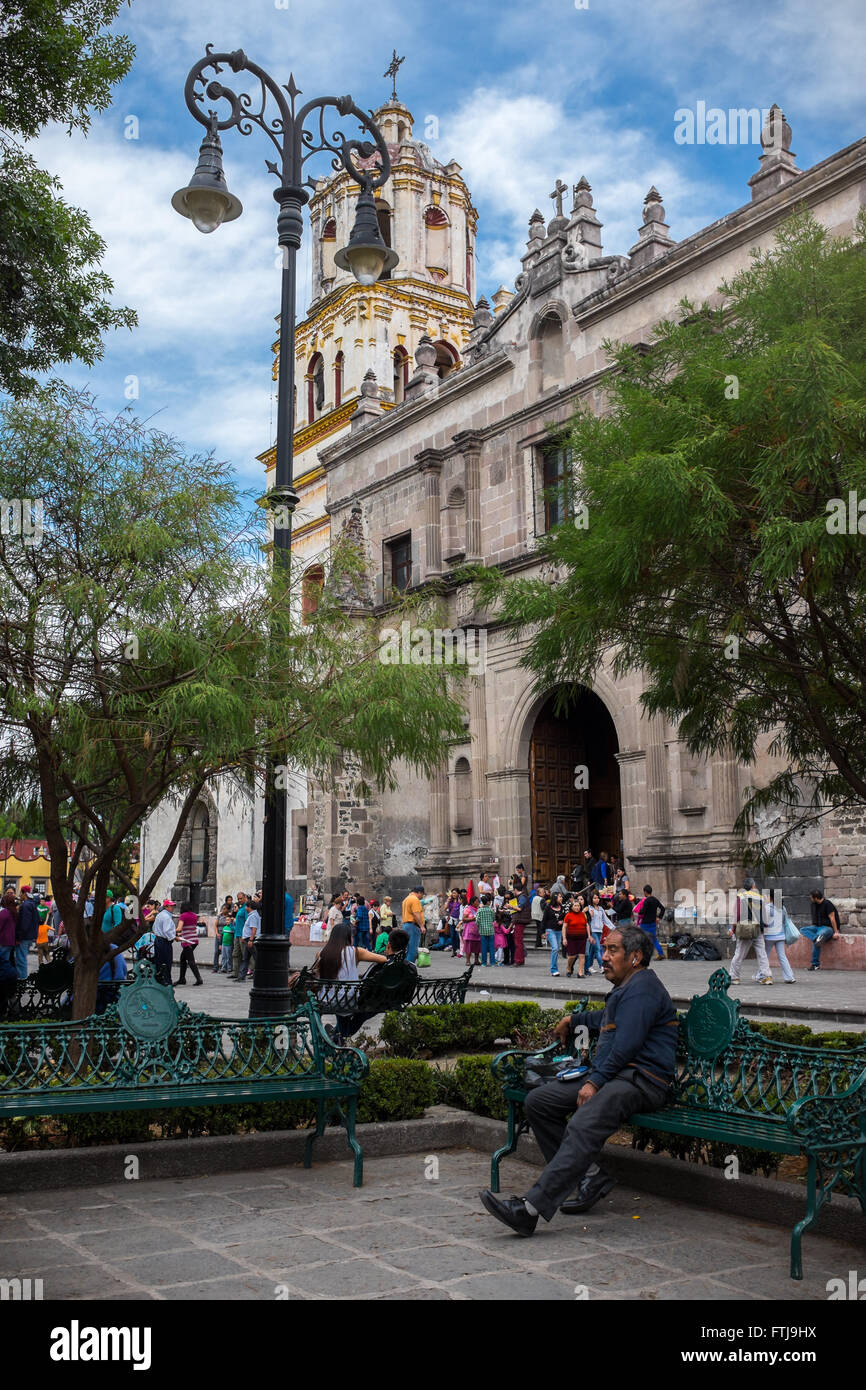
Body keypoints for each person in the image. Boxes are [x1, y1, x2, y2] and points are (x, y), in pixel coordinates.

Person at [479, 926, 677, 1236]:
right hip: (619, 1075)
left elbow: (626, 1044)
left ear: (635, 957)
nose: (605, 955)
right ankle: (591, 1176)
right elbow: (608, 1019)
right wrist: (574, 1019)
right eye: (605, 949)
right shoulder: (628, 987)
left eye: (613, 950)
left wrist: (595, 1082)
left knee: (583, 1122)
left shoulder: (643, 989)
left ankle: (529, 1210)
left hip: (641, 1080)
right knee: (539, 1102)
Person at [314, 922, 387, 1043]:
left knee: (342, 1008)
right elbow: (383, 959)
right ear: (348, 937)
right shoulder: (355, 951)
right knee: (364, 1011)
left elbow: (318, 973)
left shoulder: (321, 953)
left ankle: (336, 1036)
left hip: (326, 998)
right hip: (348, 999)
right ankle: (337, 1037)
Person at [729, 877, 772, 985]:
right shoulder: (760, 897)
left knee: (739, 954)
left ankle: (734, 977)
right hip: (758, 929)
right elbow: (764, 915)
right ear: (753, 886)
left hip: (744, 929)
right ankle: (767, 977)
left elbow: (737, 915)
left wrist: (733, 929)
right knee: (762, 954)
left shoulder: (741, 897)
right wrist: (764, 929)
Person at [802, 889, 841, 972]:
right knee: (803, 930)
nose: (810, 899)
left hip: (827, 928)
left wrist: (836, 931)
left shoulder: (827, 904)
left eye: (811, 898)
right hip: (817, 927)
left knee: (819, 936)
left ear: (816, 898)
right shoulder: (813, 904)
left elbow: (832, 918)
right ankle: (816, 938)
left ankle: (815, 964)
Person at [762, 897, 795, 983]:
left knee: (765, 956)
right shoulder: (783, 908)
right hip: (780, 935)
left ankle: (762, 975)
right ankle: (790, 977)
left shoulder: (767, 907)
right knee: (782, 956)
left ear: (771, 898)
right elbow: (785, 920)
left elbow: (764, 922)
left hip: (769, 936)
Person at [176, 902, 204, 986]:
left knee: (191, 961)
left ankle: (199, 979)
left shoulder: (183, 915)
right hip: (194, 940)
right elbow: (190, 928)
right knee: (182, 959)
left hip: (187, 941)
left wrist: (171, 931)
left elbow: (179, 929)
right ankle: (182, 979)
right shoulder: (194, 915)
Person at [15, 885, 39, 978]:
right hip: (30, 936)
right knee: (22, 958)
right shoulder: (32, 904)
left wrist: (19, 936)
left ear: (24, 893)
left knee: (21, 959)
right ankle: (22, 978)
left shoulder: (25, 905)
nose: (20, 895)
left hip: (24, 937)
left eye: (20, 893)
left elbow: (25, 923)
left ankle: (22, 979)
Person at [96, 944, 128, 1014]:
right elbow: (122, 974)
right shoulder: (114, 948)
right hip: (113, 993)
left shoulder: (91, 950)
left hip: (98, 994)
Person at [637, 885, 666, 962]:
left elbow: (642, 911)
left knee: (642, 939)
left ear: (645, 892)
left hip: (645, 923)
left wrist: (638, 909)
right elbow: (663, 908)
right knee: (654, 939)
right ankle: (661, 953)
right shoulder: (655, 900)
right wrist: (659, 917)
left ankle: (642, 955)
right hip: (653, 922)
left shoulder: (646, 901)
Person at [152, 899, 177, 986]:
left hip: (158, 939)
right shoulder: (166, 917)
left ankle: (161, 980)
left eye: (173, 906)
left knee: (159, 961)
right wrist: (174, 937)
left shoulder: (160, 915)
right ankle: (166, 980)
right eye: (171, 906)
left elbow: (154, 928)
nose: (173, 908)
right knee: (166, 961)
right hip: (164, 941)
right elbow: (167, 931)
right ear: (166, 907)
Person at [586, 891, 611, 974]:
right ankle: (602, 966)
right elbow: (586, 920)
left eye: (598, 898)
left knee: (592, 951)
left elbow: (606, 920)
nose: (597, 900)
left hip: (600, 931)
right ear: (591, 899)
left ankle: (589, 966)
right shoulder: (589, 908)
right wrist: (590, 915)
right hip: (593, 931)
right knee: (598, 948)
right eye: (594, 898)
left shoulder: (600, 909)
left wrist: (613, 928)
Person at [563, 895, 588, 978]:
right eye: (575, 906)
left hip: (582, 938)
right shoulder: (568, 915)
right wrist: (564, 938)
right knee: (572, 956)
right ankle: (569, 967)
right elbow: (564, 927)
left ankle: (580, 972)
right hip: (571, 938)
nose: (577, 907)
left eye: (578, 906)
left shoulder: (582, 915)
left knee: (582, 955)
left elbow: (586, 925)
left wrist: (589, 936)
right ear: (572, 907)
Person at [401, 884, 425, 964]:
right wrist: (421, 926)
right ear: (419, 893)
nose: (422, 897)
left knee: (407, 949)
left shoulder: (406, 899)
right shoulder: (415, 899)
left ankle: (405, 968)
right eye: (422, 894)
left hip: (406, 926)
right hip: (413, 926)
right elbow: (416, 914)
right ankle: (409, 969)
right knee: (413, 950)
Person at [542, 891, 564, 976]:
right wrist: (542, 932)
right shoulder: (548, 907)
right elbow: (544, 920)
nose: (561, 898)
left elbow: (565, 918)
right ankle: (553, 969)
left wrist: (562, 921)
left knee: (557, 949)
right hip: (550, 930)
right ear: (555, 898)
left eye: (561, 896)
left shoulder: (562, 908)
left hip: (559, 930)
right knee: (555, 948)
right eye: (559, 896)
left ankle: (555, 968)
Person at [239, 899, 260, 981]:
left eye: (246, 906)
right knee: (246, 958)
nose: (245, 908)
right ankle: (241, 976)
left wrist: (251, 940)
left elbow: (254, 929)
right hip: (249, 939)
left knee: (255, 957)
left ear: (250, 907)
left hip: (251, 939)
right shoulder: (253, 915)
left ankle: (257, 975)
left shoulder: (253, 916)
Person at [230, 893, 248, 979]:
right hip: (236, 934)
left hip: (242, 935)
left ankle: (243, 973)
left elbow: (246, 922)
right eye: (238, 899)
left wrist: (244, 935)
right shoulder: (240, 908)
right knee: (235, 954)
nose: (239, 900)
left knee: (244, 954)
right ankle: (235, 972)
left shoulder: (246, 908)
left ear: (245, 898)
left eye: (241, 898)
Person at [476, 894, 496, 966]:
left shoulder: (479, 910)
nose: (490, 902)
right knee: (491, 948)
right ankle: (492, 963)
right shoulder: (491, 910)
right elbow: (494, 919)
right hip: (490, 931)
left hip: (482, 931)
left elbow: (477, 920)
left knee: (483, 948)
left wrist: (479, 925)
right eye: (489, 901)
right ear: (487, 902)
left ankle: (484, 963)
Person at [460, 896, 480, 965]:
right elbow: (464, 919)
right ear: (472, 902)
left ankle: (476, 960)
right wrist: (472, 919)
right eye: (476, 901)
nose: (478, 903)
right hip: (469, 930)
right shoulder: (468, 909)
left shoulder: (478, 909)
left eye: (478, 901)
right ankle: (468, 961)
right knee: (469, 945)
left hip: (477, 930)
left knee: (477, 945)